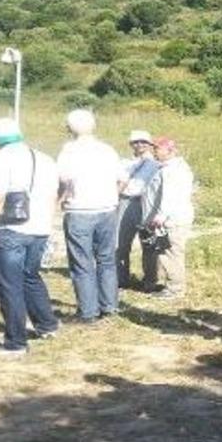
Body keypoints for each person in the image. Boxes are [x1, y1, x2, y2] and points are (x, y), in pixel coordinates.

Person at [0, 118, 61, 357]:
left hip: (10, 229)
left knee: (9, 286)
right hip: (39, 228)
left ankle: (15, 342)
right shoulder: (44, 158)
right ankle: (47, 324)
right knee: (30, 276)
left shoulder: (2, 159)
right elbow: (53, 195)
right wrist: (48, 226)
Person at [57, 109, 122, 322]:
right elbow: (122, 179)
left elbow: (63, 180)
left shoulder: (69, 151)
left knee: (82, 262)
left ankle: (88, 311)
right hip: (107, 209)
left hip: (80, 210)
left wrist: (60, 200)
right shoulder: (107, 150)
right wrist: (112, 197)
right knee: (106, 260)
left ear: (70, 128)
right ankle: (109, 306)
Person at [140, 137, 195, 300]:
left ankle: (175, 289)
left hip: (171, 220)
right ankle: (170, 285)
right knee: (168, 252)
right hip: (170, 217)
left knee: (171, 253)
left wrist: (161, 216)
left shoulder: (172, 170)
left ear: (170, 151)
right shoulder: (169, 167)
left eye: (157, 149)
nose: (154, 151)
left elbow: (170, 195)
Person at [115, 130, 160, 289]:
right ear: (131, 144)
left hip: (147, 203)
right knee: (120, 242)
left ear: (150, 144)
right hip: (126, 201)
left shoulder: (156, 163)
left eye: (143, 142)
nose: (140, 145)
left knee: (149, 243)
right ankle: (121, 278)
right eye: (136, 142)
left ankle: (150, 280)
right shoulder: (124, 162)